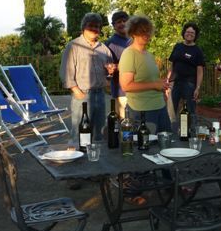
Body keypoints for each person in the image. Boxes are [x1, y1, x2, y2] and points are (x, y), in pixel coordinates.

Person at [60, 12, 113, 144]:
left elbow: (109, 73)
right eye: (91, 26)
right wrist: (76, 90)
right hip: (83, 94)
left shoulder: (104, 49)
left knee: (99, 132)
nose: (94, 29)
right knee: (79, 132)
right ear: (84, 27)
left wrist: (110, 72)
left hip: (100, 94)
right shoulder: (73, 46)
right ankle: (78, 155)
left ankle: (98, 156)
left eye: (97, 26)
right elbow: (66, 70)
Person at [119, 16, 172, 132]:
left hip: (160, 107)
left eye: (148, 30)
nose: (146, 34)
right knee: (148, 143)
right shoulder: (129, 54)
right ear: (133, 33)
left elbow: (151, 80)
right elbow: (126, 85)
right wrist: (154, 85)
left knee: (166, 140)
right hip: (142, 110)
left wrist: (161, 84)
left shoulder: (149, 55)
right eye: (142, 31)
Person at [167, 22, 205, 116]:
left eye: (192, 33)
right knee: (170, 110)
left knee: (189, 112)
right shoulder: (177, 46)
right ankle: (170, 125)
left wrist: (197, 88)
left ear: (195, 35)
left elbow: (200, 71)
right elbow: (172, 65)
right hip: (175, 83)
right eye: (188, 32)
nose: (189, 34)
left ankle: (189, 126)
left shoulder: (197, 50)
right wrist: (168, 80)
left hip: (189, 84)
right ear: (184, 33)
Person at [105, 10, 131, 117]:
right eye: (119, 22)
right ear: (114, 26)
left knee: (137, 122)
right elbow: (107, 68)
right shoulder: (110, 43)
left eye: (125, 21)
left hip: (137, 91)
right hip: (121, 92)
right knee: (125, 123)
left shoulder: (133, 40)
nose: (122, 24)